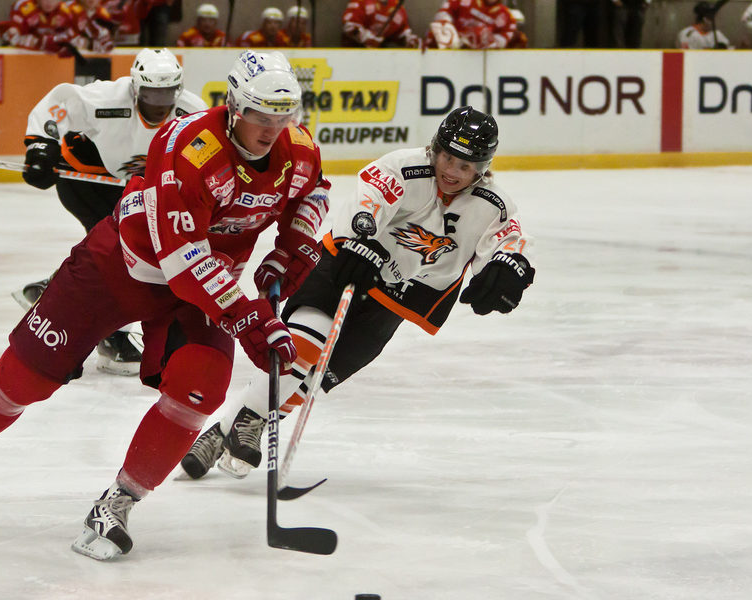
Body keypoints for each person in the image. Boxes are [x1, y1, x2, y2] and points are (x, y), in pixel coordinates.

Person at [0, 50, 331, 562]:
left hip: (204, 286)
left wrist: (294, 248)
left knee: (199, 390)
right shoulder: (189, 145)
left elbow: (312, 195)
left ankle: (119, 502)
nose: (271, 129)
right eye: (259, 116)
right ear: (233, 106)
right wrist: (249, 316)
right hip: (123, 266)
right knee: (25, 378)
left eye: (281, 116)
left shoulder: (299, 149)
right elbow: (183, 260)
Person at [181, 106, 535, 481]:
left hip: (395, 299)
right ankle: (251, 419)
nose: (452, 171)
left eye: (465, 167)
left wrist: (509, 265)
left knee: (315, 378)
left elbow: (508, 240)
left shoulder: (492, 204)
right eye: (448, 157)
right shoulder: (404, 167)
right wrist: (360, 241)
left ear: (482, 168)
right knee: (301, 352)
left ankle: (221, 432)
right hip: (347, 270)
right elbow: (367, 204)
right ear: (435, 148)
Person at [14, 47, 207, 375]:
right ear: (134, 87)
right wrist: (41, 147)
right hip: (87, 182)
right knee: (116, 257)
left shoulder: (193, 112)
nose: (159, 104)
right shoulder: (105, 98)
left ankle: (51, 290)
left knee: (133, 257)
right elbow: (59, 103)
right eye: (150, 94)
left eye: (167, 94)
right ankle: (109, 338)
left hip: (134, 190)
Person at [426, 0, 517, 49]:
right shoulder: (462, 1)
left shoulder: (507, 16)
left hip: (481, 60)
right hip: (452, 52)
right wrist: (449, 32)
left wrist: (488, 40)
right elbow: (443, 14)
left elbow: (503, 40)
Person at [0, 0, 72, 54]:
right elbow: (9, 36)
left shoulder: (65, 12)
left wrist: (60, 43)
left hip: (48, 62)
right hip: (18, 56)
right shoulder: (24, 7)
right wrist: (40, 43)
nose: (50, 2)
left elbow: (71, 38)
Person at [341, 0, 420, 48]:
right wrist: (366, 38)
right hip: (353, 52)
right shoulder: (362, 1)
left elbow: (401, 33)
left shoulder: (396, 6)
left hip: (378, 57)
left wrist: (409, 40)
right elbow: (349, 26)